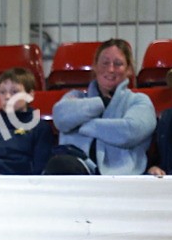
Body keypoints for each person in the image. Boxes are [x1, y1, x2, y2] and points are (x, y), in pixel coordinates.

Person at [46, 39, 156, 175]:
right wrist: (100, 103)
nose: (110, 69)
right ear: (95, 67)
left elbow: (128, 132)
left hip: (120, 178)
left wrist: (81, 125)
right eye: (105, 63)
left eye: (118, 64)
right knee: (59, 165)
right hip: (74, 169)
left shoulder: (139, 101)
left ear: (129, 70)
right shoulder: (76, 96)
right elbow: (60, 119)